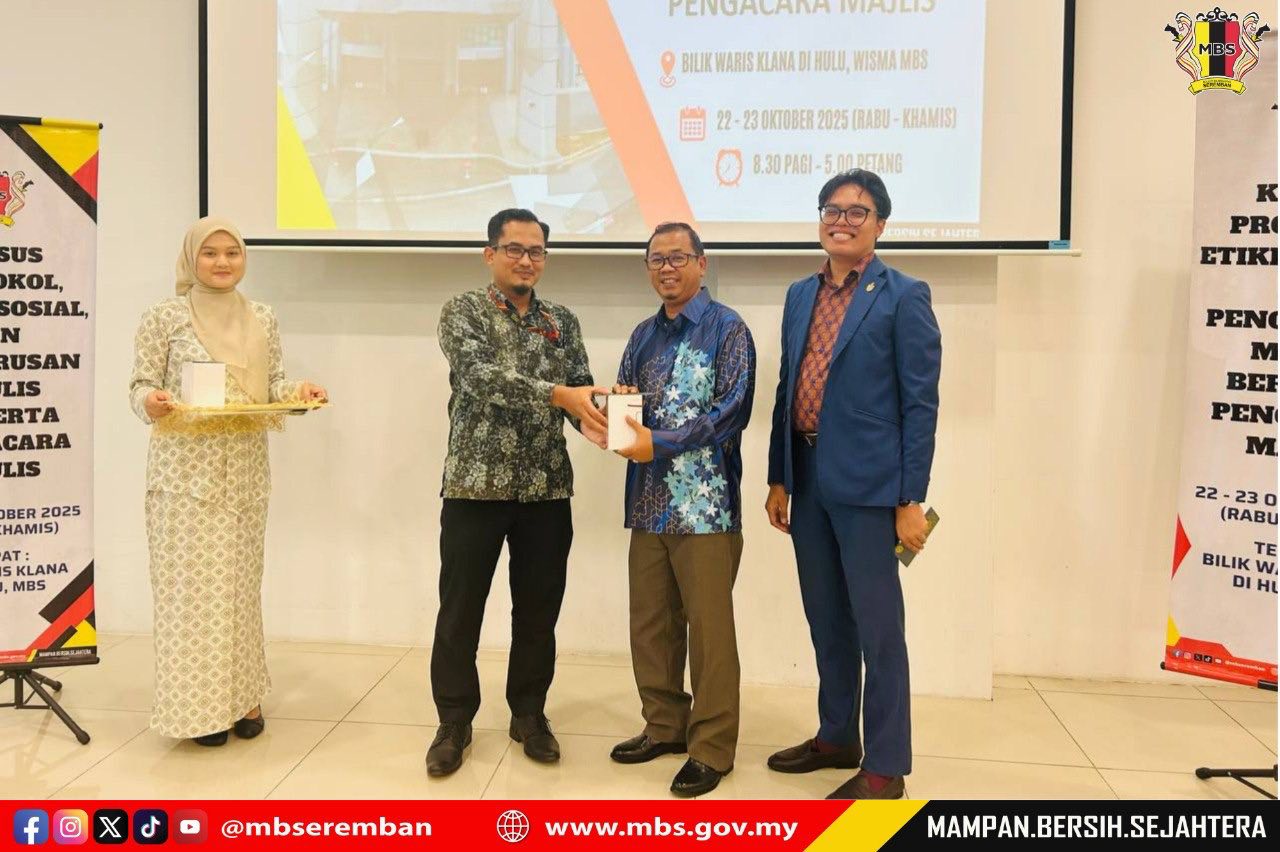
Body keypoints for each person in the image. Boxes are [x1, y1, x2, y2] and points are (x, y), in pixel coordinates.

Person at [764, 170, 941, 799]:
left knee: (878, 630)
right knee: (826, 617)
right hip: (808, 479)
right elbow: (788, 387)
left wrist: (910, 499)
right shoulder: (798, 294)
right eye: (831, 210)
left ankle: (887, 767)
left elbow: (920, 404)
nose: (841, 221)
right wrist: (779, 476)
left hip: (871, 488)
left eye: (856, 212)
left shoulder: (904, 296)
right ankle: (838, 735)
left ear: (880, 224)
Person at [129, 217, 327, 746]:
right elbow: (139, 385)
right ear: (190, 258)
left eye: (232, 253)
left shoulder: (261, 316)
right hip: (184, 476)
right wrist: (151, 401)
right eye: (210, 253)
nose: (222, 262)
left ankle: (244, 700)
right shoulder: (164, 316)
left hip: (245, 474)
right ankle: (199, 712)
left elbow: (272, 383)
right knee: (189, 594)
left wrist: (299, 393)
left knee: (239, 591)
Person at [426, 208, 608, 777]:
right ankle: (454, 721)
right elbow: (480, 377)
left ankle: (529, 714)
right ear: (491, 254)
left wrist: (608, 417)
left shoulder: (562, 321)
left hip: (546, 489)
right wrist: (561, 395)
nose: (526, 260)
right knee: (460, 611)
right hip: (474, 487)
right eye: (514, 249)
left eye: (536, 252)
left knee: (537, 612)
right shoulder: (463, 311)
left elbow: (578, 393)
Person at [609, 222, 756, 797]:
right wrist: (613, 420)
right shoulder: (642, 335)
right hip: (647, 504)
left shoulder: (728, 329)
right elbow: (624, 402)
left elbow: (731, 412)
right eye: (656, 260)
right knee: (651, 625)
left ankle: (712, 747)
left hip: (705, 508)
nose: (666, 268)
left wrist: (659, 441)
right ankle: (664, 726)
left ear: (701, 263)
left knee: (709, 634)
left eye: (677, 258)